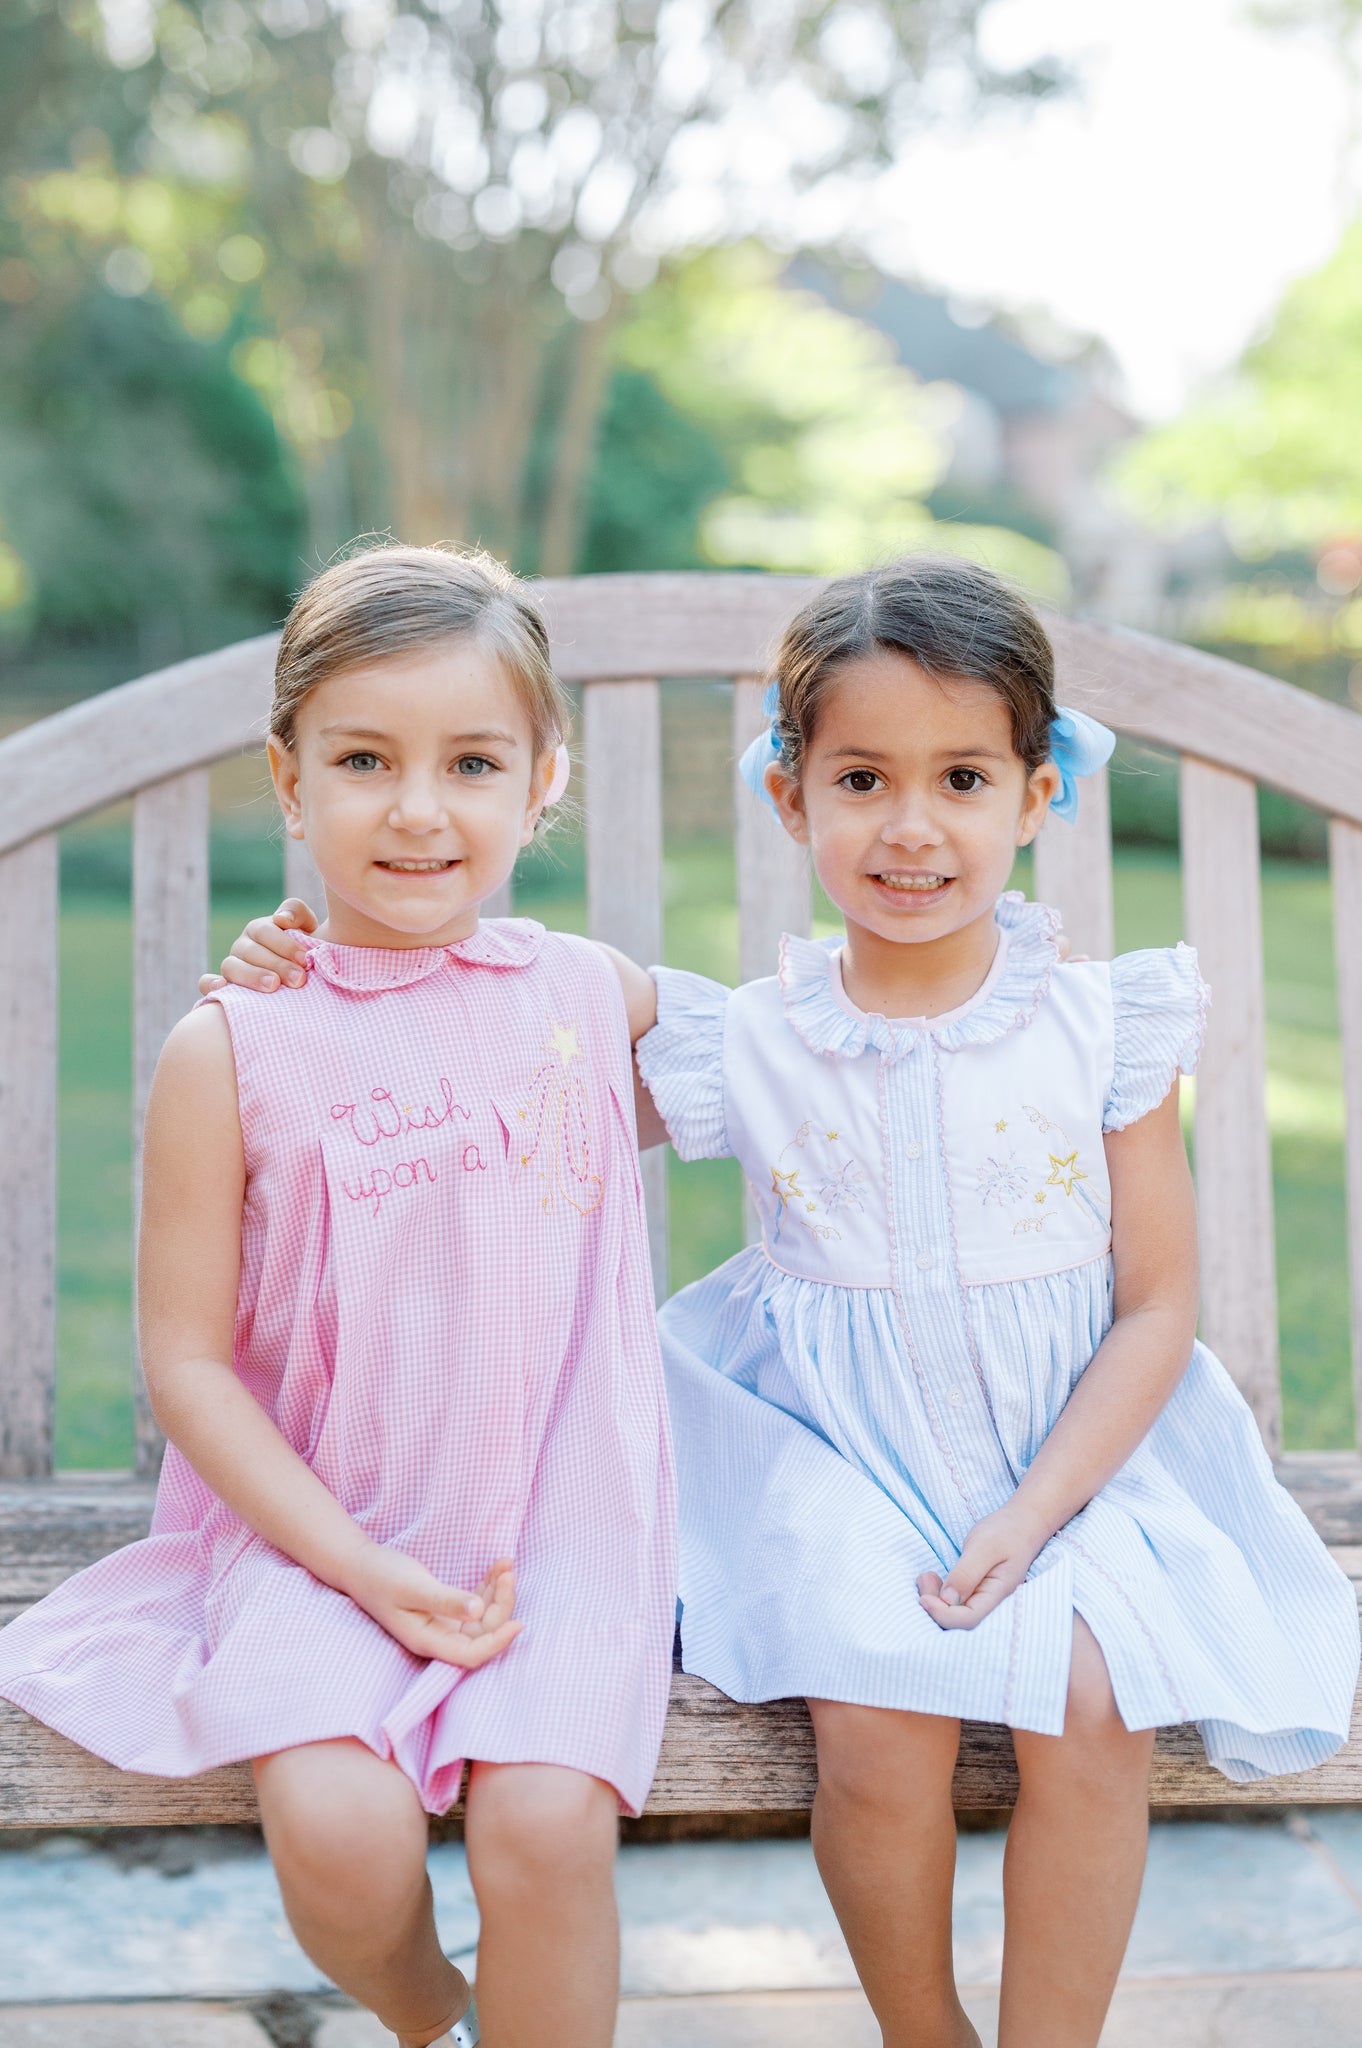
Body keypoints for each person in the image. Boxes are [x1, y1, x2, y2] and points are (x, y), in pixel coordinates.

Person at [204, 555, 1361, 2048]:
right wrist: (296, 977)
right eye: (861, 779)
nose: (911, 825)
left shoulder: (1103, 1023)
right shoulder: (742, 1038)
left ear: (1036, 793)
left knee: (1089, 1710)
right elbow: (480, 1075)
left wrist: (1033, 1513)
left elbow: (1155, 1307)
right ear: (789, 796)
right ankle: (921, 2032)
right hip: (834, 1463)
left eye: (961, 777)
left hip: (1078, 1455)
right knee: (874, 1720)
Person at [0, 544, 676, 2048]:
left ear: (539, 780)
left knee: (544, 1827)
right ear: (289, 780)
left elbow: (817, 1054)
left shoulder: (586, 998)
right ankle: (434, 2011)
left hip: (559, 1524)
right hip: (318, 1524)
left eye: (472, 762)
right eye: (363, 760)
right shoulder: (235, 1046)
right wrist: (362, 1568)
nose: (418, 808)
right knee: (336, 1822)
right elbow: (186, 1367)